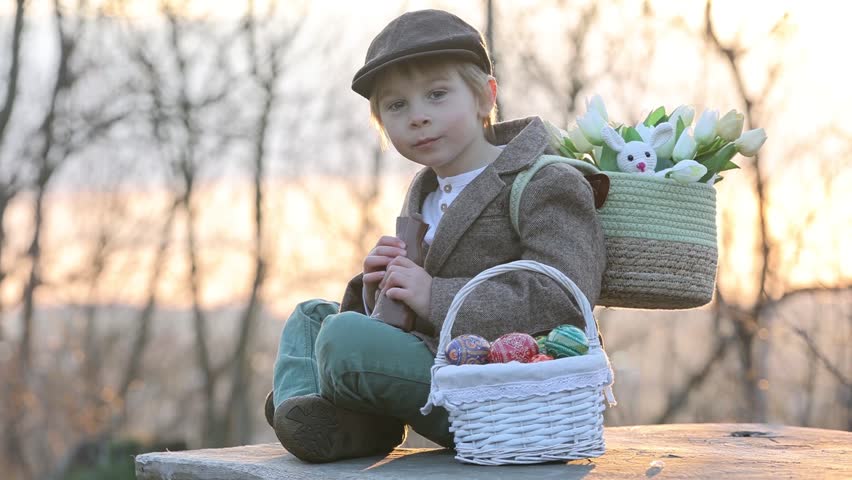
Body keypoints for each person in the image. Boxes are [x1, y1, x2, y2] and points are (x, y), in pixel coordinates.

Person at [264, 9, 606, 463]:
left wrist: (433, 296)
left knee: (342, 339)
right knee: (311, 317)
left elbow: (562, 294)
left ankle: (349, 416)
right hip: (432, 361)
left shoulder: (545, 181)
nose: (418, 117)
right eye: (396, 105)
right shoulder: (423, 191)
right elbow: (411, 319)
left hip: (502, 388)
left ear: (486, 96)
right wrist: (378, 293)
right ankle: (335, 424)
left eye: (437, 94)